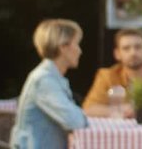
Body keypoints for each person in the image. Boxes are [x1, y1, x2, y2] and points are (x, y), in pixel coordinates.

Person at [9, 19, 88, 149]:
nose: (80, 51)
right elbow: (74, 121)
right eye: (77, 44)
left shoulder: (51, 76)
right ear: (63, 47)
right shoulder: (45, 80)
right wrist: (83, 114)